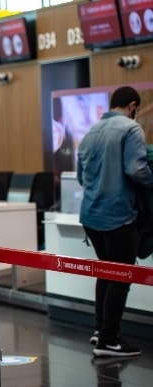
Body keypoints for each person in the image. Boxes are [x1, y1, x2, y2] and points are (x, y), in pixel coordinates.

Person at [78, 86, 153, 357]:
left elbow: (80, 177)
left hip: (91, 216)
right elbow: (136, 168)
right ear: (133, 106)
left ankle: (101, 331)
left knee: (106, 273)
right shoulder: (130, 129)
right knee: (121, 276)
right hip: (118, 216)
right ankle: (109, 340)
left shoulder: (90, 132)